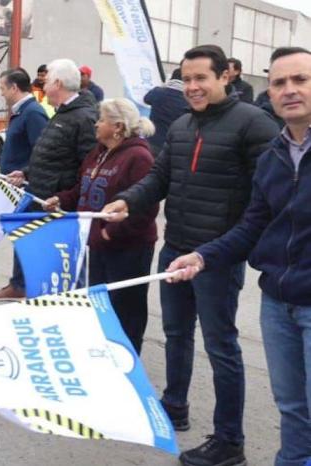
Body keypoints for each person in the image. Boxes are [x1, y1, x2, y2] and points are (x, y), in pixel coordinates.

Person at [101, 44, 280, 466]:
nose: (193, 86)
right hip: (175, 249)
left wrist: (230, 247)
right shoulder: (181, 125)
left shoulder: (253, 124)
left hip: (218, 258)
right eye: (187, 79)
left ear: (225, 77)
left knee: (221, 346)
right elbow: (160, 178)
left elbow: (266, 197)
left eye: (202, 78)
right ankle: (175, 406)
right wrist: (127, 200)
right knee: (177, 335)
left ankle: (229, 440)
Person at [166, 46, 311, 466]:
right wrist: (204, 256)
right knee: (293, 411)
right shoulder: (274, 155)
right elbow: (253, 224)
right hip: (277, 301)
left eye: (300, 80)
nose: (288, 90)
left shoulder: (251, 127)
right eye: (280, 82)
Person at [44, 98, 158, 354]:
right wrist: (61, 199)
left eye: (102, 120)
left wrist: (109, 232)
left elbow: (146, 207)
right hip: (96, 244)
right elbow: (83, 188)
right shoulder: (98, 152)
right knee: (98, 303)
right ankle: (103, 356)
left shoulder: (139, 156)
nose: (96, 124)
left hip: (128, 248)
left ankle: (127, 361)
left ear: (117, 126)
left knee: (125, 309)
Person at [0, 59, 97, 301]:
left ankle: (65, 306)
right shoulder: (63, 113)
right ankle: (31, 291)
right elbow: (49, 154)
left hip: (58, 204)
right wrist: (26, 172)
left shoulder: (83, 118)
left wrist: (66, 197)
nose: (42, 86)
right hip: (41, 194)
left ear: (58, 83)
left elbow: (88, 167)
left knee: (62, 262)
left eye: (46, 82)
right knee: (35, 249)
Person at [0, 67, 48, 301]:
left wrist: (26, 173)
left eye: (2, 88)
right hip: (15, 184)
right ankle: (20, 283)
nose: (1, 93)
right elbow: (19, 149)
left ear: (13, 87)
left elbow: (42, 152)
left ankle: (22, 285)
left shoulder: (33, 113)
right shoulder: (20, 113)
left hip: (28, 188)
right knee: (20, 234)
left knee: (25, 234)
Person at [144, 68, 189, 156]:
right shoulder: (188, 100)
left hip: (152, 141)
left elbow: (146, 99)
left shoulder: (158, 92)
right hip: (173, 145)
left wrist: (163, 85)